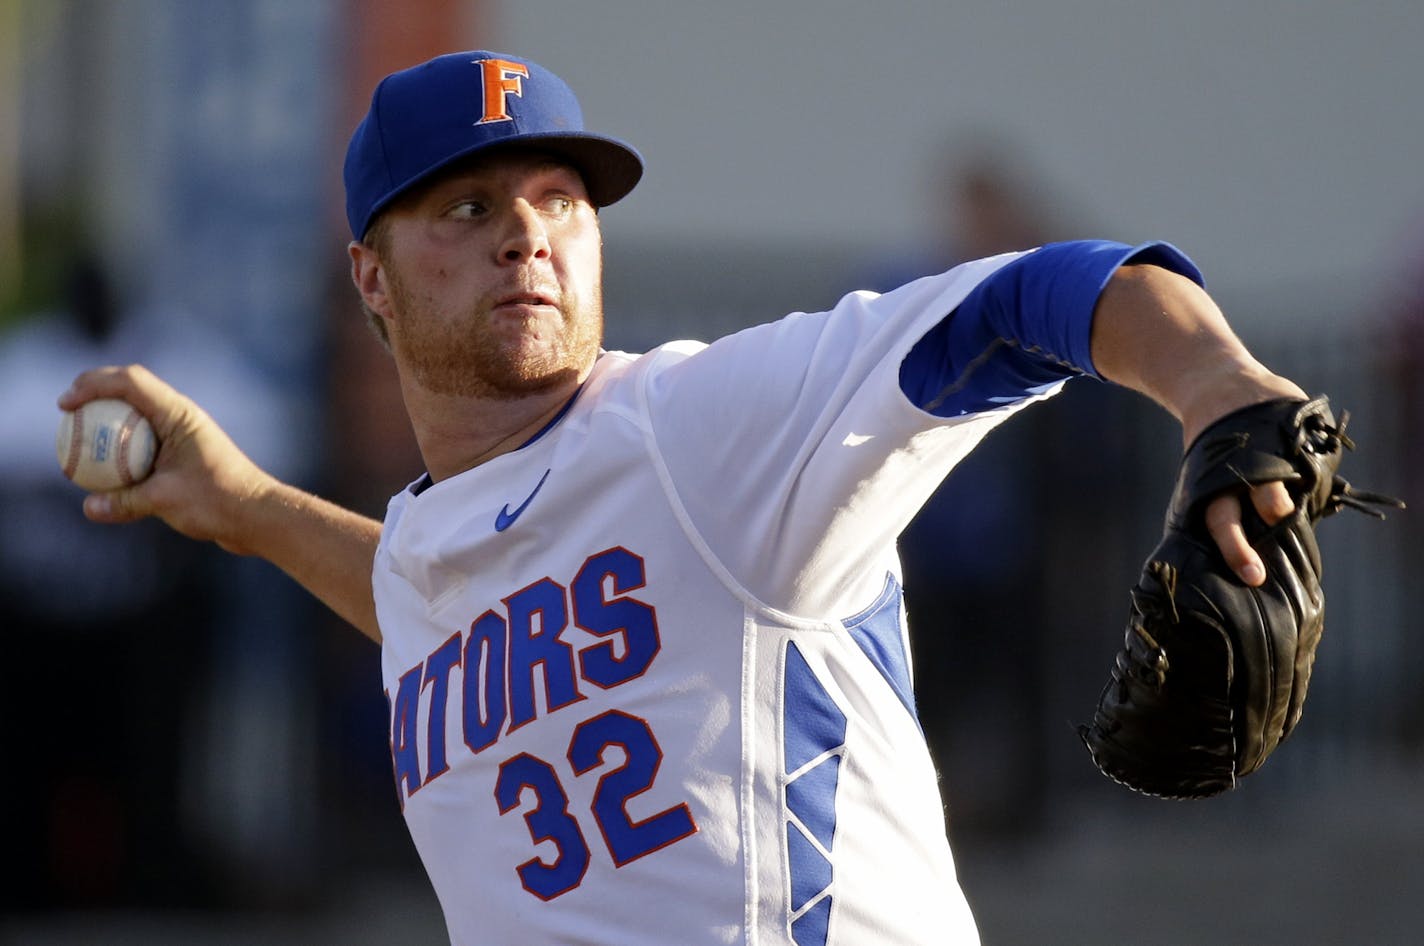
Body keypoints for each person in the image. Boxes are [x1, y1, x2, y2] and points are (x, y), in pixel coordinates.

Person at [61, 51, 1312, 945]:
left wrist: (1219, 390)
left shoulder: (701, 426)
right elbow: (427, 596)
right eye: (469, 205)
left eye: (560, 200)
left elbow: (1036, 294)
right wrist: (240, 502)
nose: (528, 235)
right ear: (370, 278)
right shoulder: (434, 547)